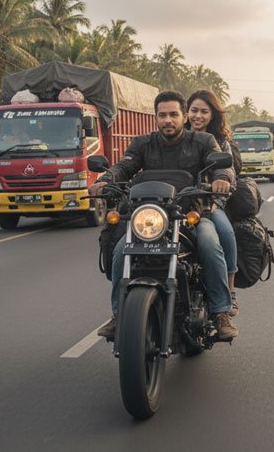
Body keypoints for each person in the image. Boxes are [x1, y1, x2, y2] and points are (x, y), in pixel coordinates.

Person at [89, 91, 237, 340]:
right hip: (150, 218)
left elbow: (222, 166)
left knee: (210, 244)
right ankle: (118, 315)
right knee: (119, 250)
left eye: (173, 115)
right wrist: (105, 179)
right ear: (155, 117)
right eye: (162, 115)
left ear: (183, 116)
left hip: (192, 215)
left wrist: (222, 179)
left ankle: (221, 312)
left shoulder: (203, 140)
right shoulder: (143, 143)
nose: (168, 120)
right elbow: (124, 166)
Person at [186, 89, 242, 316]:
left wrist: (217, 197)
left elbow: (227, 173)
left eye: (204, 112)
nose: (197, 116)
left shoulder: (219, 143)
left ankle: (230, 291)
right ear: (185, 112)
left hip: (209, 204)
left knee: (225, 232)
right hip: (176, 203)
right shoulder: (176, 137)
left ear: (212, 115)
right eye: (193, 111)